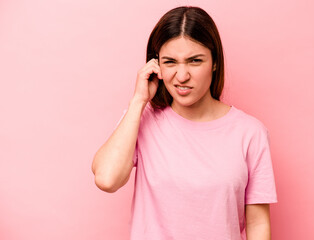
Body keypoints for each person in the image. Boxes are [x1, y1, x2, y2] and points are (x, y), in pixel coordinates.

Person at [92, 6, 277, 240]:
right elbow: (107, 179)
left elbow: (258, 223)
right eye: (170, 62)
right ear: (155, 65)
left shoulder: (250, 133)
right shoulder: (141, 119)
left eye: (194, 61)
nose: (181, 76)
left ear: (215, 62)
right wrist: (138, 101)